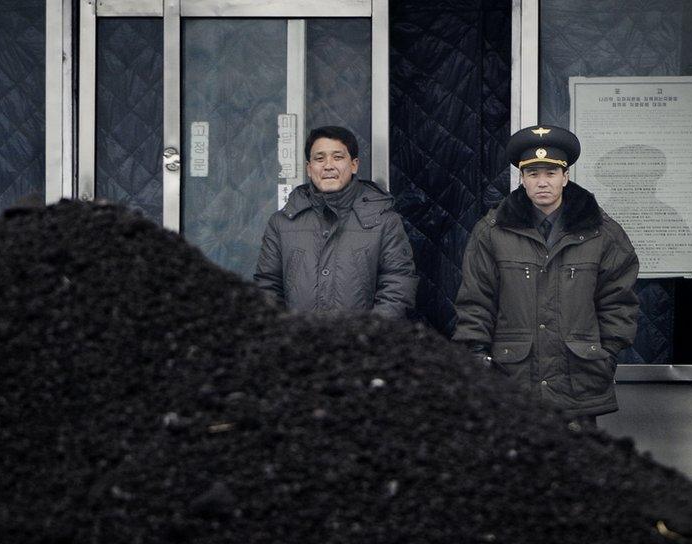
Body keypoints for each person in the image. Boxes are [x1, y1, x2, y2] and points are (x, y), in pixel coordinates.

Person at [453, 125, 639, 424]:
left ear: (565, 177)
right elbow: (476, 301)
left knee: (575, 468)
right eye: (533, 174)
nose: (542, 182)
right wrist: (477, 360)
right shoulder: (492, 232)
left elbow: (619, 302)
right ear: (522, 179)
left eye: (551, 173)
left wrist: (606, 356)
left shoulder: (601, 233)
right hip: (510, 381)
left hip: (578, 383)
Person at [254, 126, 417, 318]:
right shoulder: (282, 223)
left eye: (338, 157)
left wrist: (369, 336)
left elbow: (398, 284)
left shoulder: (384, 220)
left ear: (354, 164)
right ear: (309, 167)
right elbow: (267, 287)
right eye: (319, 158)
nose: (328, 165)